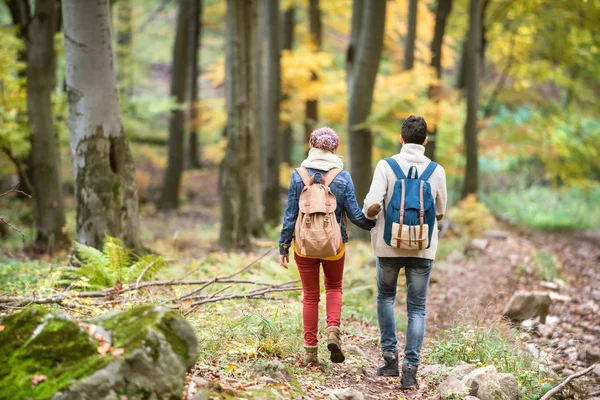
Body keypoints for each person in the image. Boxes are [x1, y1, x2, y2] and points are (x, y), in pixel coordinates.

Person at [363, 115, 447, 389]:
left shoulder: (386, 166)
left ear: (401, 138)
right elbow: (441, 210)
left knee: (386, 297)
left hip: (389, 245)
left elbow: (372, 204)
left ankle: (389, 360)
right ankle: (410, 369)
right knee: (417, 307)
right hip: (422, 247)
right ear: (425, 141)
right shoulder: (436, 170)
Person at [279, 127, 375, 366]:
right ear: (335, 148)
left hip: (304, 246)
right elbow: (355, 216)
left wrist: (283, 246)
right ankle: (333, 331)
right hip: (334, 246)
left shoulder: (298, 175)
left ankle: (310, 353)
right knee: (334, 288)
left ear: (311, 146)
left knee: (310, 297)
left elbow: (291, 214)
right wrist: (376, 224)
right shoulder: (342, 176)